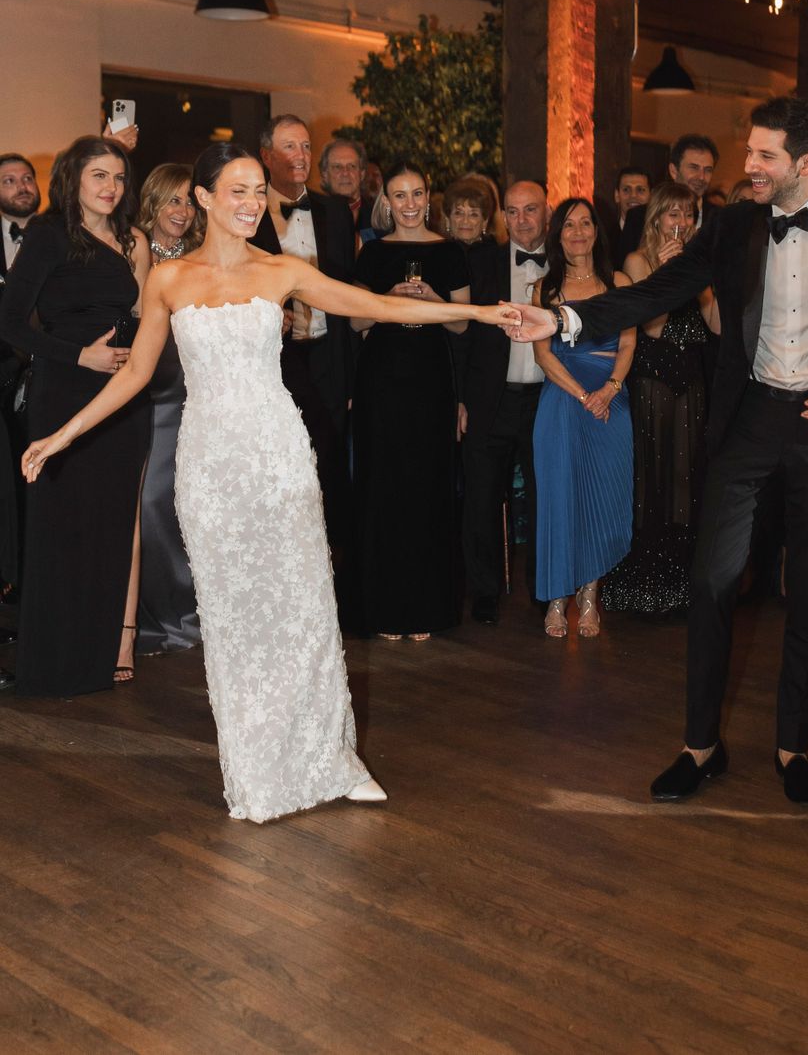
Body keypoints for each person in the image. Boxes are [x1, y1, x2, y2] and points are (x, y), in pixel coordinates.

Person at [20, 143, 517, 822]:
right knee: (235, 622)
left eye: (259, 191)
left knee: (305, 609)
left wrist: (485, 314)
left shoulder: (283, 271)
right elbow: (134, 374)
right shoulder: (167, 281)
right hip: (210, 467)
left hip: (279, 456)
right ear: (204, 198)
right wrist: (61, 435)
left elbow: (376, 305)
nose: (253, 203)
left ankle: (333, 760)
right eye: (239, 191)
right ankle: (257, 773)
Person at [508, 97, 808, 806]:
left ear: (806, 164)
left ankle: (793, 747)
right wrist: (564, 318)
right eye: (749, 152)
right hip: (750, 418)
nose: (748, 166)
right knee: (710, 582)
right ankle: (700, 746)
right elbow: (657, 290)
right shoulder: (731, 226)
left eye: (764, 156)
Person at [0, 136, 151, 696]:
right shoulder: (48, 234)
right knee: (61, 526)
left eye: (118, 177)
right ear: (73, 179)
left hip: (124, 396)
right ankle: (51, 665)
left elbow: (144, 313)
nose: (111, 187)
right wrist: (78, 355)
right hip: (64, 390)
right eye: (99, 176)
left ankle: (95, 659)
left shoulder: (131, 238)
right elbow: (9, 322)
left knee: (111, 526)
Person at [351, 160, 472, 640]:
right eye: (399, 195)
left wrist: (434, 300)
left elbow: (461, 323)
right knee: (383, 486)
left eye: (416, 193)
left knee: (428, 487)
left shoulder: (450, 251)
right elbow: (356, 321)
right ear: (387, 201)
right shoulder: (372, 252)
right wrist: (388, 299)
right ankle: (384, 607)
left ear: (428, 196)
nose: (409, 204)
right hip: (381, 381)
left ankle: (425, 608)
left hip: (430, 381)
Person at [602, 183, 714, 617]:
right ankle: (645, 586)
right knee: (653, 477)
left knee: (688, 478)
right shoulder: (638, 261)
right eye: (672, 214)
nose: (680, 223)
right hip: (652, 378)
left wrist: (701, 279)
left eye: (687, 215)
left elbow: (716, 324)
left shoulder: (697, 260)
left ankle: (683, 586)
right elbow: (651, 327)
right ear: (656, 218)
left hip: (691, 377)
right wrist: (670, 274)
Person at [532, 200, 634, 638]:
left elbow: (628, 344)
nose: (578, 232)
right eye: (569, 225)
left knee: (604, 494)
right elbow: (542, 354)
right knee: (559, 496)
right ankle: (557, 598)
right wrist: (582, 395)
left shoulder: (620, 282)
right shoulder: (544, 289)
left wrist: (608, 390)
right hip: (562, 399)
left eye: (585, 223)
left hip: (612, 398)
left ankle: (590, 595)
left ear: (597, 230)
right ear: (558, 234)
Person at [256, 115, 355, 548]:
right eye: (289, 146)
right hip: (274, 361)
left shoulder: (335, 211)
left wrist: (350, 374)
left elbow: (348, 293)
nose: (301, 156)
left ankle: (334, 564)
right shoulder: (248, 214)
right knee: (282, 466)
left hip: (330, 354)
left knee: (331, 467)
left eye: (306, 146)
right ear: (266, 156)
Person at [459, 180, 549, 624]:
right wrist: (460, 398)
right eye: (512, 212)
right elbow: (462, 336)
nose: (521, 220)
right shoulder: (481, 262)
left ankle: (544, 590)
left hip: (546, 400)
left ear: (546, 212)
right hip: (489, 399)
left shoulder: (567, 262)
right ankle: (484, 592)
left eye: (530, 209)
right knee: (481, 497)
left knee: (545, 497)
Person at [135, 164, 203, 654]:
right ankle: (157, 614)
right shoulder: (132, 249)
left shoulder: (202, 258)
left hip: (193, 391)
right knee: (150, 504)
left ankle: (191, 613)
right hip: (147, 389)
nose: (182, 212)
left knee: (185, 504)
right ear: (153, 201)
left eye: (188, 202)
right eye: (172, 200)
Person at [0, 152, 41, 604]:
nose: (21, 186)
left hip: (48, 370)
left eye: (27, 178)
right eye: (9, 180)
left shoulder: (55, 235)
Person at [319, 134, 375, 244]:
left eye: (352, 166)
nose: (345, 173)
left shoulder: (380, 220)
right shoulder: (313, 219)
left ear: (362, 174)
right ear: (325, 175)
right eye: (337, 167)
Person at [669, 134, 720, 231]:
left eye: (708, 170)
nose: (701, 177)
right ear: (674, 171)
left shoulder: (720, 220)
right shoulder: (643, 217)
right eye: (694, 168)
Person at [442, 175, 497, 252]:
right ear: (448, 220)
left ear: (485, 222)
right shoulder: (436, 255)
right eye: (458, 213)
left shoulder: (498, 256)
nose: (465, 221)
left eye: (473, 214)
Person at [610, 167, 651, 270]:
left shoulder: (660, 235)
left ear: (651, 196)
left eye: (640, 190)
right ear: (617, 195)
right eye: (626, 190)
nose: (633, 196)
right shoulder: (604, 238)